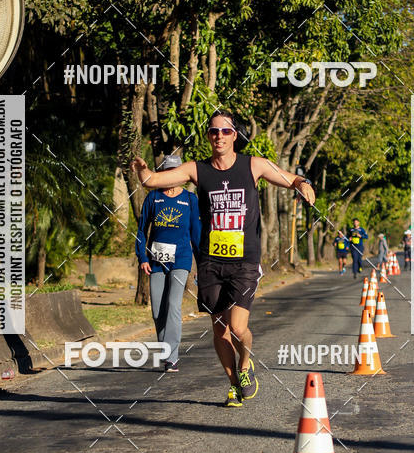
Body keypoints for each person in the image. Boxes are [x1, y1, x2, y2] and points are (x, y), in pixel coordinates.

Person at [132, 110, 315, 407]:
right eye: (214, 131)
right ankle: (233, 385)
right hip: (211, 261)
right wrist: (142, 170)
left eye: (225, 131)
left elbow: (290, 178)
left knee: (239, 328)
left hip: (244, 259)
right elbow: (152, 180)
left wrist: (304, 183)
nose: (219, 136)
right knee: (219, 328)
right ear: (208, 136)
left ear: (236, 136)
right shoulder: (197, 169)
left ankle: (245, 366)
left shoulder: (253, 165)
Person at [135, 154, 201, 372]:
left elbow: (196, 234)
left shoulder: (190, 200)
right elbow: (141, 231)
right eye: (166, 171)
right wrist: (142, 257)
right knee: (157, 311)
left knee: (173, 306)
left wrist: (200, 264)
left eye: (175, 171)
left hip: (181, 259)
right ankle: (166, 350)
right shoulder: (153, 198)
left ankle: (171, 357)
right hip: (156, 260)